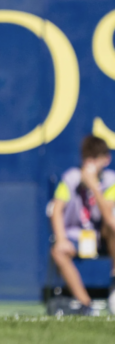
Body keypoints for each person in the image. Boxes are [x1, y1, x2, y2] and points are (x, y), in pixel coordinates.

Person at [50, 135, 115, 315]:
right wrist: (62, 239)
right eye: (88, 158)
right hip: (77, 235)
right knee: (58, 250)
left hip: (103, 236)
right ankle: (85, 305)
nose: (91, 164)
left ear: (106, 160)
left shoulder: (111, 181)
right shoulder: (71, 178)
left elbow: (109, 218)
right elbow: (56, 210)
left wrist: (94, 187)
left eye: (96, 159)